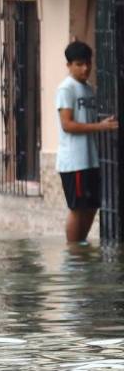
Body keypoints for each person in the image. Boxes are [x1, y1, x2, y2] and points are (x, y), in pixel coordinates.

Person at [56, 41, 118, 243]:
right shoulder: (66, 88)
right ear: (69, 65)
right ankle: (73, 253)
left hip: (90, 158)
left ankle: (81, 247)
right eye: (79, 64)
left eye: (88, 63)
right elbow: (67, 124)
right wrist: (99, 127)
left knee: (92, 205)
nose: (86, 68)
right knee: (77, 207)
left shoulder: (88, 88)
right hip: (73, 161)